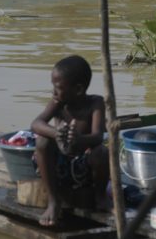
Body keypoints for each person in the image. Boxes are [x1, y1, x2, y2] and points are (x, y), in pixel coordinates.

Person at [31, 55, 109, 227]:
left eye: (58, 87)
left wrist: (79, 139)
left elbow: (97, 136)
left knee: (102, 152)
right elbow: (36, 124)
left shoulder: (95, 103)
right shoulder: (57, 103)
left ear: (79, 89)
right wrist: (56, 133)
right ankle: (54, 201)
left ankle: (100, 196)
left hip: (83, 167)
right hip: (61, 167)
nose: (54, 92)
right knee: (42, 142)